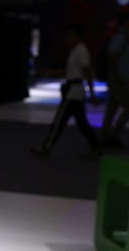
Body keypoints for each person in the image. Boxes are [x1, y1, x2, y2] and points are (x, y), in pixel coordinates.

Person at [32, 25, 100, 157]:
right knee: (81, 122)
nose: (67, 38)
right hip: (74, 90)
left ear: (76, 36)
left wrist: (92, 94)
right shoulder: (77, 51)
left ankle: (46, 148)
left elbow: (87, 71)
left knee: (60, 121)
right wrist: (48, 72)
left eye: (69, 35)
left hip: (73, 92)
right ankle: (96, 147)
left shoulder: (81, 51)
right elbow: (70, 72)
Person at [102, 12, 129, 148]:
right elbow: (112, 58)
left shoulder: (123, 38)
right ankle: (113, 136)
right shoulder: (121, 38)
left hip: (117, 79)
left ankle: (105, 137)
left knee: (111, 109)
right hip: (119, 80)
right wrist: (118, 76)